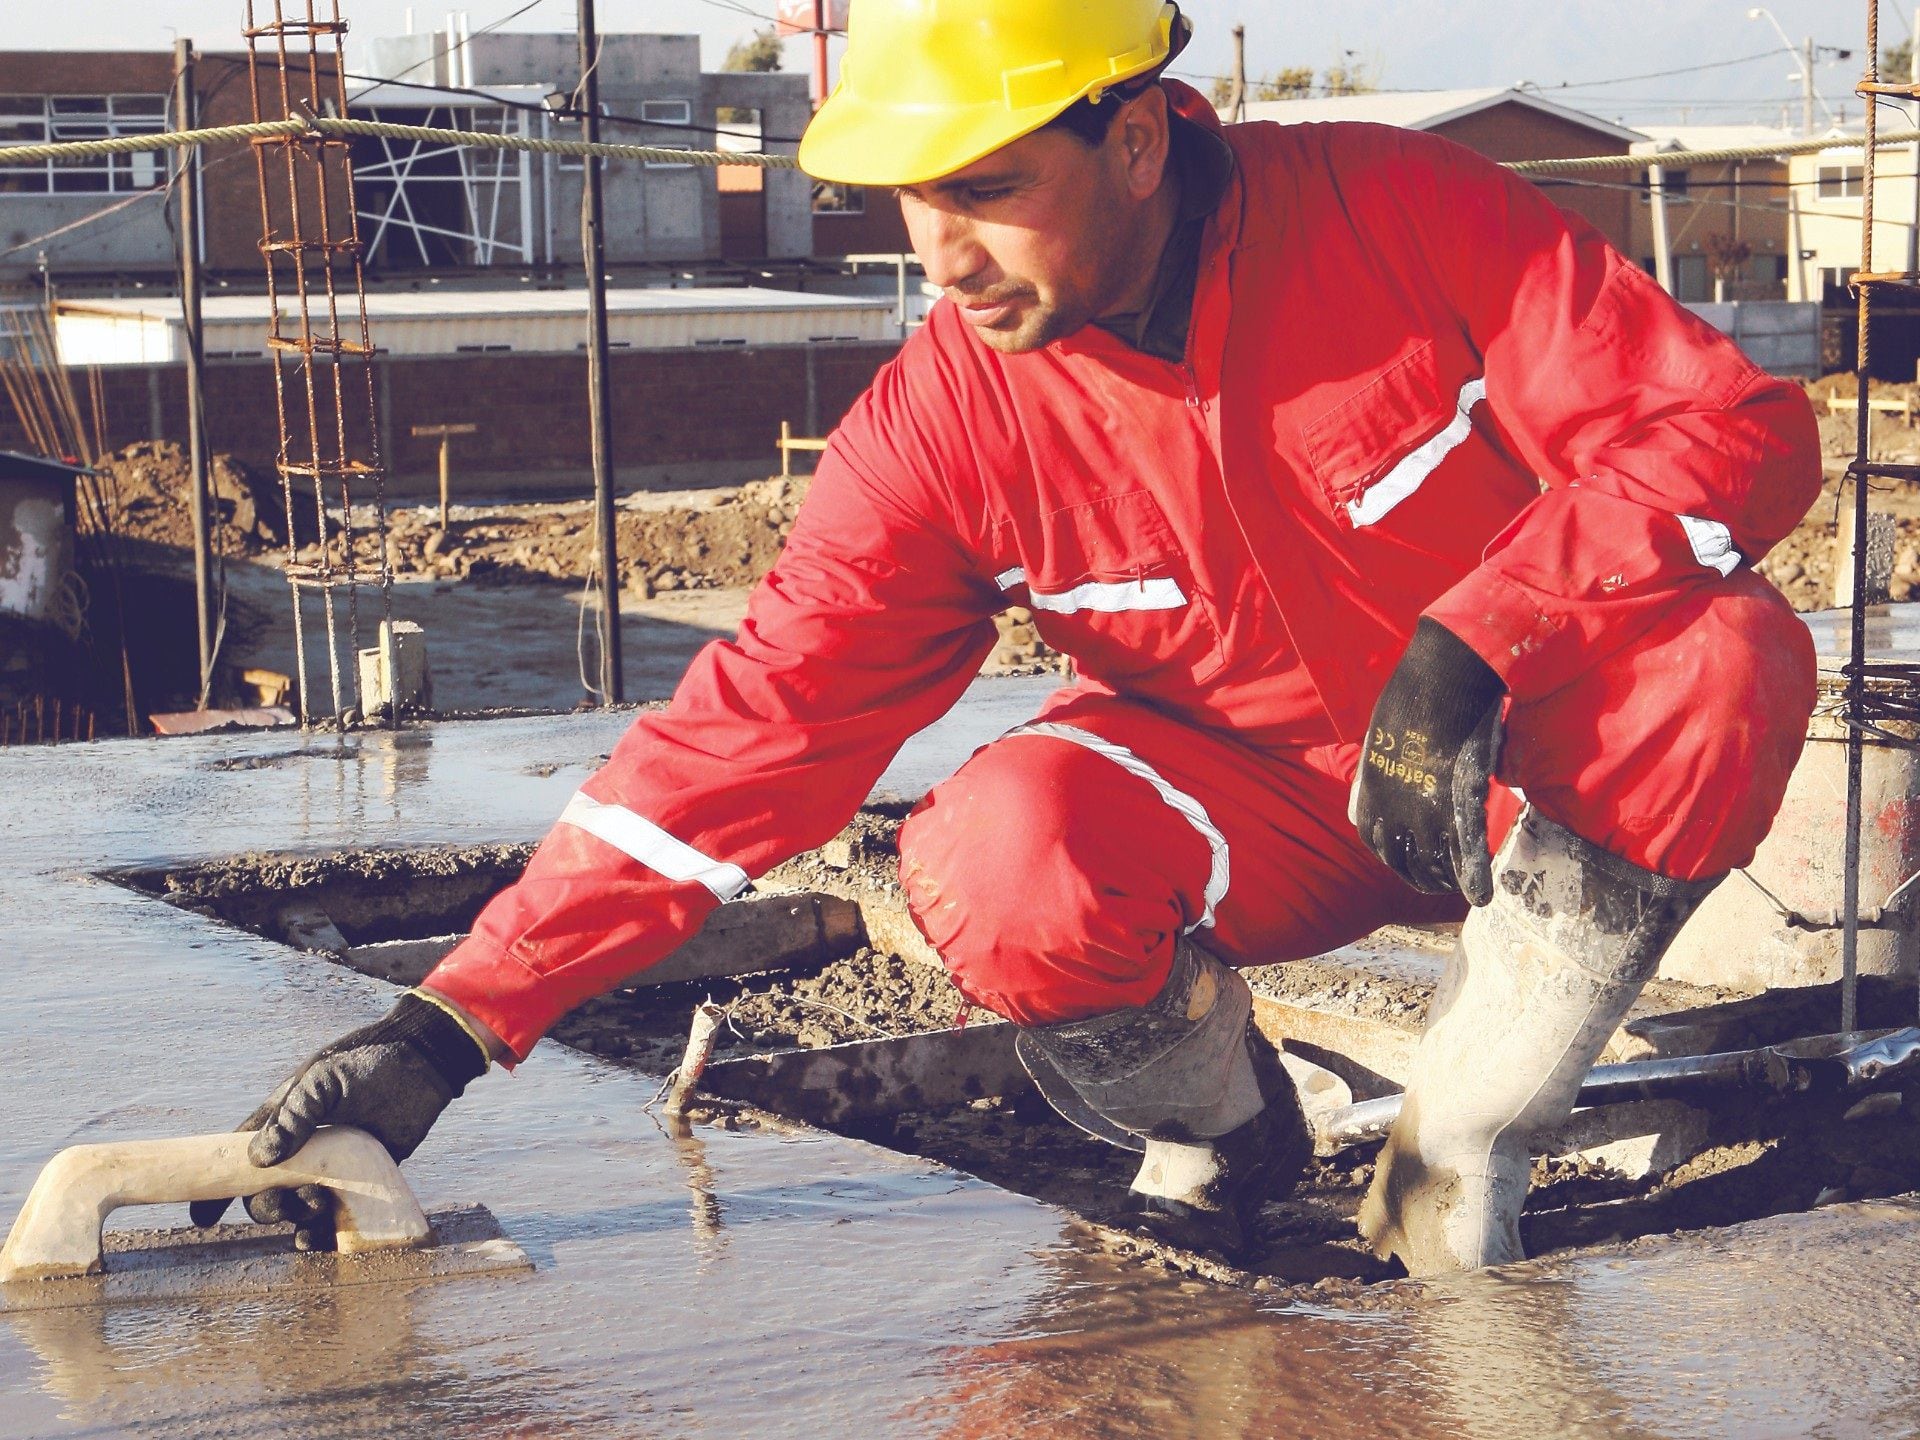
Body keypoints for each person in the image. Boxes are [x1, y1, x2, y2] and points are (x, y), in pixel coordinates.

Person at [199, 0, 1819, 1274]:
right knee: (992, 851)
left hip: (1512, 780)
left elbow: (1730, 431)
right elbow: (749, 734)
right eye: (917, 199)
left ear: (1132, 138)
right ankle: (1224, 1136)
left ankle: (1459, 1146)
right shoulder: (940, 428)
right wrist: (453, 1025)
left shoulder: (1402, 215)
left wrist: (1482, 634)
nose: (945, 255)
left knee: (1725, 656)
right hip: (1259, 824)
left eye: (989, 189)